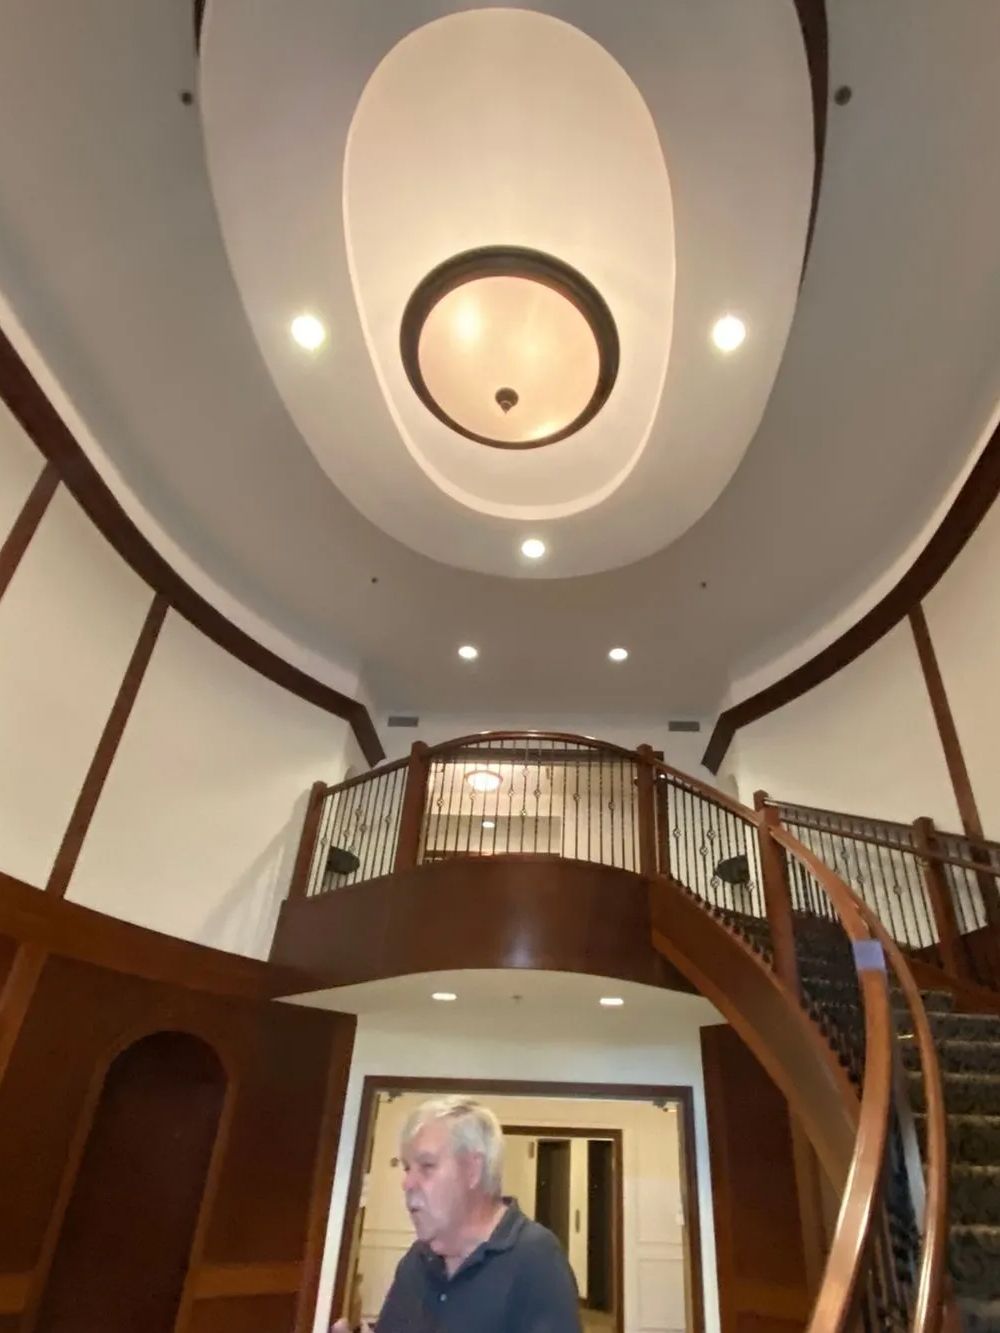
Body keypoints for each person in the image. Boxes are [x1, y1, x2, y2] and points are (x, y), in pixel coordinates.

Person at [333, 1095, 581, 1333]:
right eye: (407, 1168)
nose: (407, 1183)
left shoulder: (537, 1260)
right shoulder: (416, 1260)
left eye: (427, 1166)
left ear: (473, 1170)